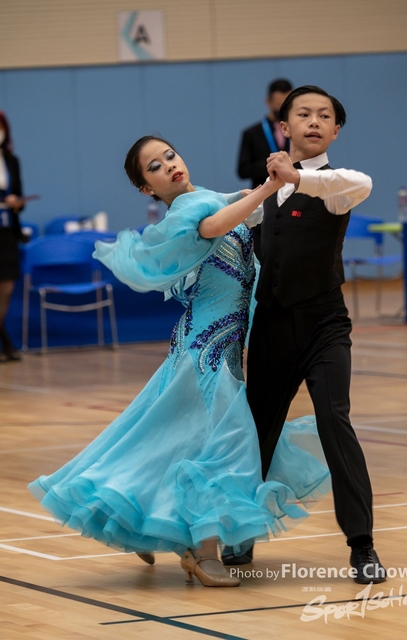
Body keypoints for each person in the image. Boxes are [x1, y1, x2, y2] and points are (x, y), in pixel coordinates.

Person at [29, 135, 331, 588]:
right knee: (223, 442)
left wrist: (278, 184)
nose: (169, 165)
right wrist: (268, 188)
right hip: (205, 350)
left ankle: (146, 523)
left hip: (221, 347)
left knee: (171, 438)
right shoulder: (186, 213)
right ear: (146, 188)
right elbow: (214, 225)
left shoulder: (208, 197)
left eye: (169, 155)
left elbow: (239, 211)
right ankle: (203, 553)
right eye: (154, 167)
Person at [222, 85, 386, 585]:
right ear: (284, 127)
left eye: (324, 116)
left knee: (335, 421)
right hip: (271, 327)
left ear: (335, 131)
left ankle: (362, 545)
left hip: (324, 326)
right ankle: (240, 531)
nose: (314, 121)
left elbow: (358, 182)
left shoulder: (338, 184)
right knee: (257, 432)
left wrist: (296, 177)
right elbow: (223, 220)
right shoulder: (264, 193)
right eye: (304, 114)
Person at [0, 111, 25, 362]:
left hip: (7, 231)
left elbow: (20, 195)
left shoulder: (11, 161)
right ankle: (6, 343)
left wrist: (16, 203)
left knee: (6, 288)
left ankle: (4, 340)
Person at [237, 78, 293, 189]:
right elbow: (243, 171)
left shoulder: (298, 131)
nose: (282, 110)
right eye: (278, 105)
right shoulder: (251, 133)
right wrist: (273, 163)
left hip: (294, 191)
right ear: (268, 102)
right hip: (263, 193)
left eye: (286, 105)